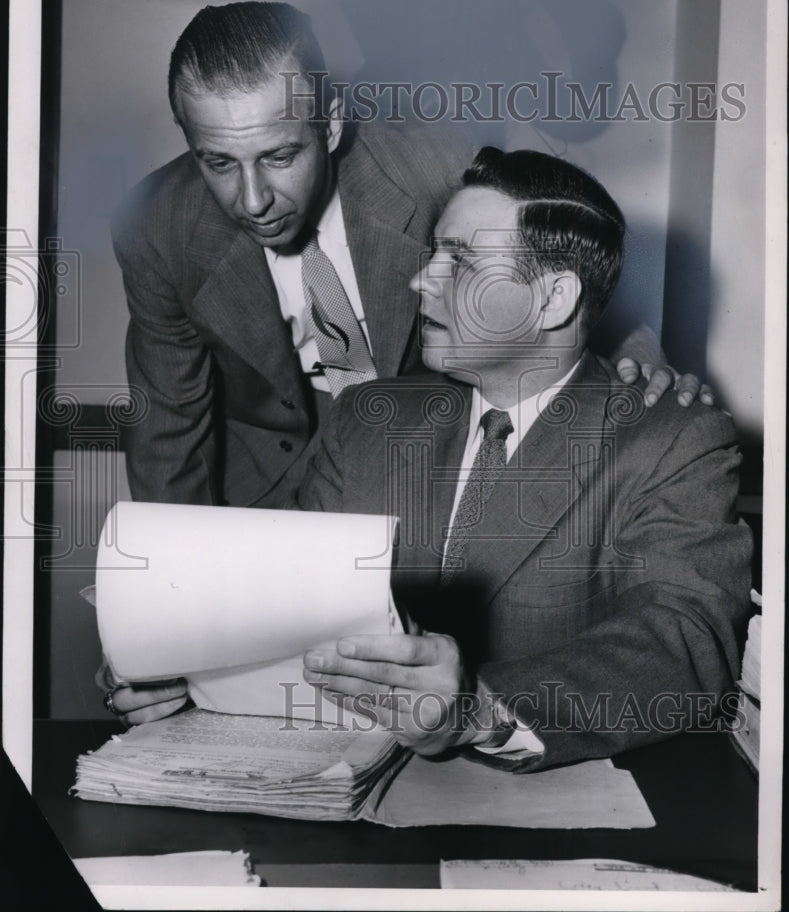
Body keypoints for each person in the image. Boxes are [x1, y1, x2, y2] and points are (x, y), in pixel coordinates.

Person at [103, 3, 710, 724]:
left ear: (328, 127)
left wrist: (643, 367)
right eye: (217, 163)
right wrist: (163, 616)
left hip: (423, 474)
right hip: (270, 496)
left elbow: (561, 250)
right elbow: (168, 428)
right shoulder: (156, 226)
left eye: (278, 156)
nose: (252, 200)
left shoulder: (434, 171)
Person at [298, 148, 752, 770]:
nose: (421, 280)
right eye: (434, 253)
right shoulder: (366, 418)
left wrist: (478, 708)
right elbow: (282, 602)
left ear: (553, 299)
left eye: (460, 261)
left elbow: (685, 640)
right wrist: (180, 673)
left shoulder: (671, 438)